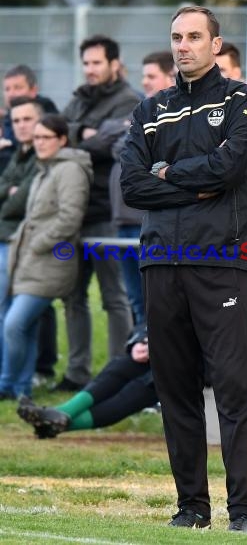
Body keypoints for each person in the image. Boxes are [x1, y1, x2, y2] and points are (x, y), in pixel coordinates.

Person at [120, 6, 247, 534]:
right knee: (174, 390)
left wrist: (167, 172)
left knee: (232, 391)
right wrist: (191, 182)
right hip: (160, 260)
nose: (183, 46)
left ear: (216, 45)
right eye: (176, 37)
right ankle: (192, 507)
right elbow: (132, 185)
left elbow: (231, 169)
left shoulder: (241, 100)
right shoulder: (149, 111)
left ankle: (243, 512)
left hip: (222, 260)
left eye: (194, 37)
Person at [58, 35, 140, 391]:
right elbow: (57, 132)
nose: (90, 70)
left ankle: (114, 375)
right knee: (73, 296)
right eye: (86, 63)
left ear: (114, 64)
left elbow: (108, 146)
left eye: (96, 63)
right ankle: (77, 373)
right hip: (74, 210)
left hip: (108, 211)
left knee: (114, 296)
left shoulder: (129, 100)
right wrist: (80, 132)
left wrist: (76, 138)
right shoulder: (77, 100)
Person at [0, 114, 92, 399]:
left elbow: (69, 218)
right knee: (24, 327)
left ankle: (6, 384)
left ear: (62, 140)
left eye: (45, 138)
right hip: (30, 260)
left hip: (51, 262)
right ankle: (21, 388)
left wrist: (38, 243)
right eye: (36, 137)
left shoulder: (69, 170)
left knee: (14, 324)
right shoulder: (45, 169)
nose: (39, 143)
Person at [108, 51, 176, 325]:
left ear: (170, 77)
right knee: (136, 302)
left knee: (155, 301)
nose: (144, 82)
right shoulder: (143, 110)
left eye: (151, 76)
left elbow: (139, 155)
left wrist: (130, 147)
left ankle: (156, 364)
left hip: (148, 221)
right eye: (143, 76)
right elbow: (119, 147)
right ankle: (140, 357)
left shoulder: (172, 114)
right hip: (124, 219)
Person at [16, 324, 158, 438]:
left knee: (146, 385)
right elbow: (148, 321)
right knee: (122, 366)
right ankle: (62, 413)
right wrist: (141, 340)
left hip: (177, 365)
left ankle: (53, 421)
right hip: (160, 354)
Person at [0, 97, 43, 374]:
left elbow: (21, 202)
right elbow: (7, 192)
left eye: (27, 119)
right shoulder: (18, 154)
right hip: (8, 239)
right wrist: (9, 191)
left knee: (14, 317)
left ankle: (12, 379)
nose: (21, 126)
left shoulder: (42, 155)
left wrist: (10, 193)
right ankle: (14, 378)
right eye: (16, 120)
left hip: (23, 243)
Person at [0, 64, 58, 172]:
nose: (11, 94)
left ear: (33, 90)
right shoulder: (7, 116)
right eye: (7, 89)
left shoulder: (46, 113)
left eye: (18, 88)